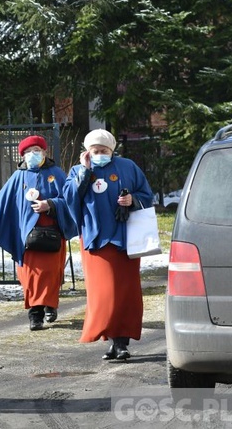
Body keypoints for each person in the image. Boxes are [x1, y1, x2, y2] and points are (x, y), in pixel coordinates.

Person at [63, 129, 155, 360]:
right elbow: (70, 198)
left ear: (112, 151)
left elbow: (146, 194)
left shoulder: (128, 167)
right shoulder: (78, 170)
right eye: (95, 151)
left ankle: (121, 342)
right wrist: (85, 171)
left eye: (104, 151)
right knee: (104, 293)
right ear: (87, 151)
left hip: (125, 240)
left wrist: (132, 200)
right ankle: (112, 339)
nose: (99, 154)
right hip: (96, 240)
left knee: (125, 291)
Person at [0, 135, 76, 331]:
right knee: (30, 275)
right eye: (27, 152)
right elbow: (1, 201)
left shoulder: (57, 173)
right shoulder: (18, 176)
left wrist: (51, 204)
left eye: (36, 150)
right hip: (27, 236)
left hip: (53, 234)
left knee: (51, 273)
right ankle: (35, 314)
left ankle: (50, 304)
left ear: (44, 152)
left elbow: (69, 200)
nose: (32, 155)